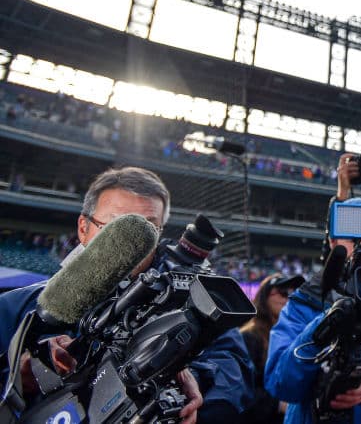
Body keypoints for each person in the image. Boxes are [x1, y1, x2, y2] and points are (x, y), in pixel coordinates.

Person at [0, 166, 255, 424]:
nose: (132, 243)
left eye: (148, 229)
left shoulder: (189, 299)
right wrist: (15, 380)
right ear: (83, 227)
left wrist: (180, 379)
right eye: (115, 226)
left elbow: (233, 369)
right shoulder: (18, 308)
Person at [265, 154, 361, 424]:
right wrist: (322, 326)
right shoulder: (305, 300)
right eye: (350, 236)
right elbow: (280, 383)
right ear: (332, 240)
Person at [240, 273, 306, 424]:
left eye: (293, 294)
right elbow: (241, 388)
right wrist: (277, 404)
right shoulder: (249, 336)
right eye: (283, 293)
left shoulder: (297, 336)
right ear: (265, 297)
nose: (288, 299)